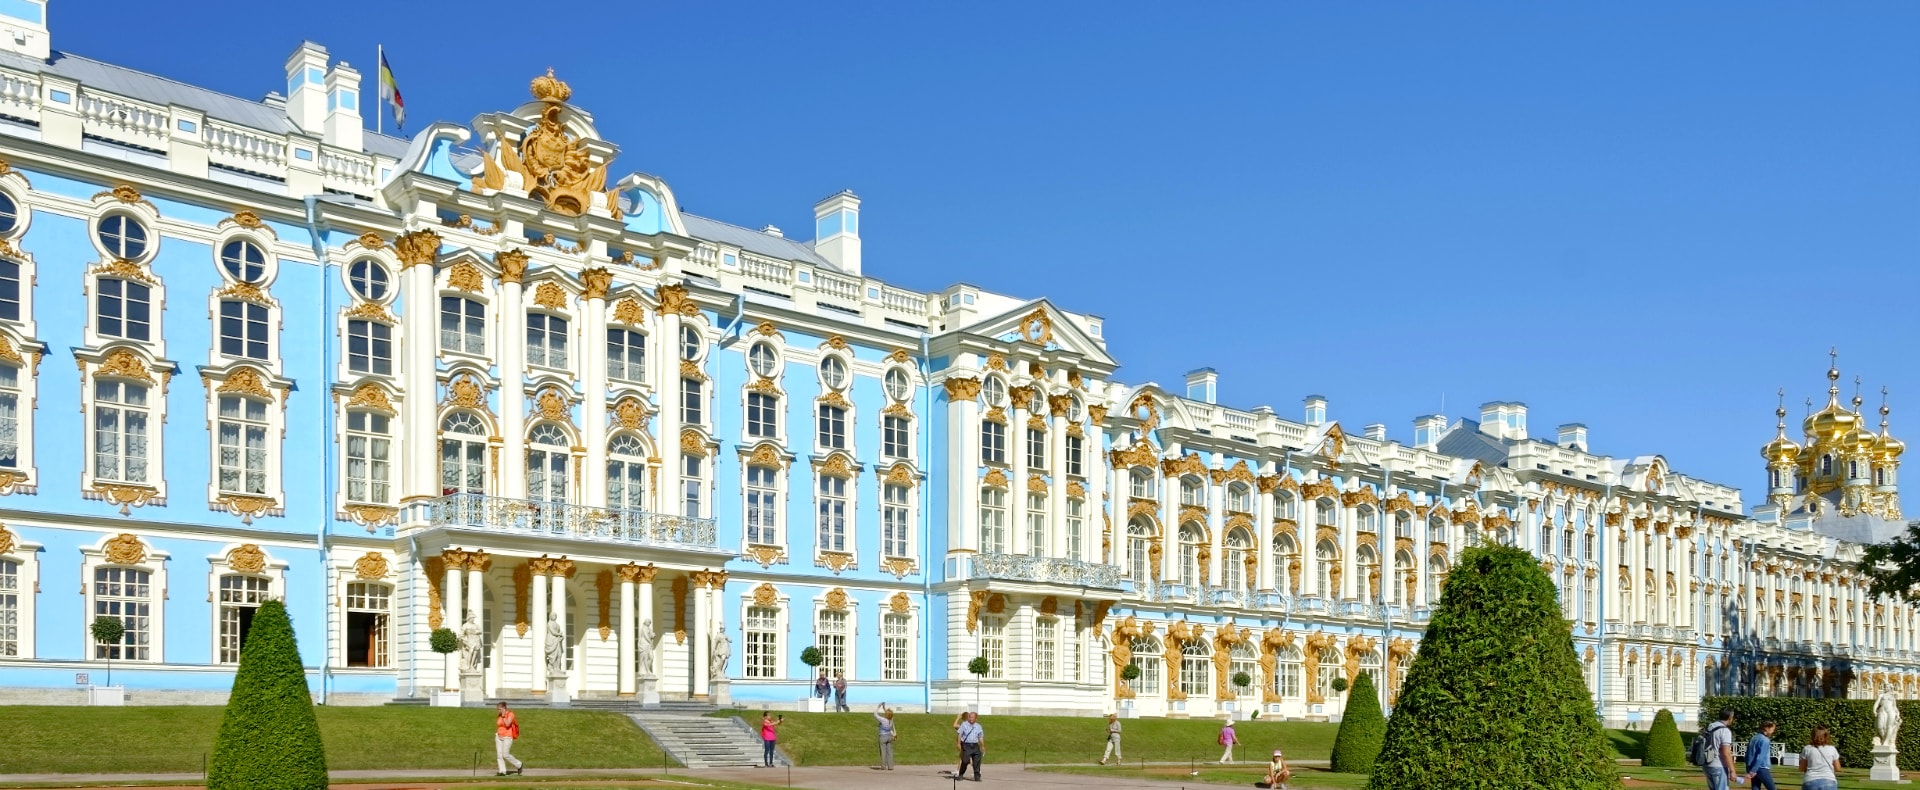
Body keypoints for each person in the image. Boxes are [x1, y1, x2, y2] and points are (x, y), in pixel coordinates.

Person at [1701, 708, 1742, 790]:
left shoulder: (1710, 726)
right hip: (1719, 765)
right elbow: (1726, 753)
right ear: (1730, 717)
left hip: (1707, 763)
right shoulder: (1725, 731)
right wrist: (1732, 771)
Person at [1800, 725, 1841, 790]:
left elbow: (1801, 768)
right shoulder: (1832, 749)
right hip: (1829, 780)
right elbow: (1838, 768)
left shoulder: (1807, 749)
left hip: (1810, 780)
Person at [1744, 721, 1777, 790]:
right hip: (1761, 767)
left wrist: (1749, 769)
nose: (1773, 731)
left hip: (1752, 766)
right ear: (1767, 728)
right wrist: (1753, 770)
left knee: (1755, 787)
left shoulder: (1754, 738)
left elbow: (1748, 755)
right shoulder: (1765, 740)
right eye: (1772, 729)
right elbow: (1760, 757)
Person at [953, 711, 985, 781]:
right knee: (965, 761)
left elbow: (980, 737)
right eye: (970, 717)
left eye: (972, 717)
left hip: (975, 745)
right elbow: (960, 734)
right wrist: (958, 743)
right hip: (966, 745)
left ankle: (977, 777)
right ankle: (961, 774)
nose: (970, 718)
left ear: (976, 718)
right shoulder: (964, 724)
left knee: (977, 762)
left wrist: (982, 746)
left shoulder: (979, 726)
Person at [494, 702, 524, 776]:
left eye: (499, 709)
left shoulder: (510, 714)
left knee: (505, 754)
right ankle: (502, 771)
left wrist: (504, 715)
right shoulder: (499, 715)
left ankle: (519, 764)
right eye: (497, 709)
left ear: (503, 708)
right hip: (499, 736)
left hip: (507, 737)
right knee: (499, 755)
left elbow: (507, 724)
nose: (498, 711)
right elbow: (499, 725)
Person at [874, 703, 897, 770]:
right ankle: (890, 766)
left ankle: (883, 766)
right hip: (889, 737)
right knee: (889, 752)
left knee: (883, 752)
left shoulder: (883, 720)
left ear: (886, 715)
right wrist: (884, 707)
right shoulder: (891, 720)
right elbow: (888, 714)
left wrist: (878, 707)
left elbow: (875, 714)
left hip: (883, 737)